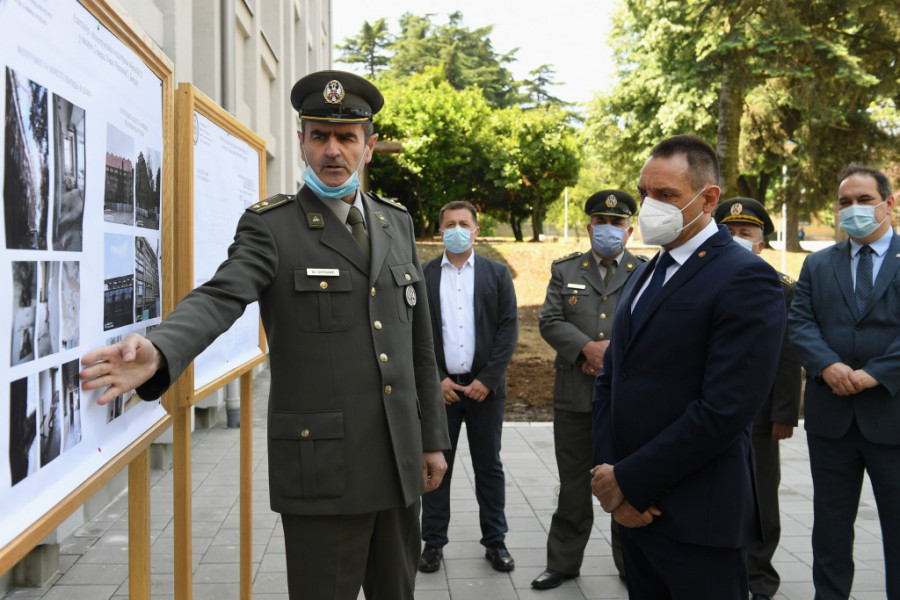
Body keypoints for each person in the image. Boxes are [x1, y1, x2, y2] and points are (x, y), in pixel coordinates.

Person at [79, 70, 451, 600]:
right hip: (324, 470)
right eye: (319, 136)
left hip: (399, 463)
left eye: (346, 137)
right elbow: (222, 294)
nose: (332, 150)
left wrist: (432, 440)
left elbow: (420, 346)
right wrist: (162, 348)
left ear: (368, 147)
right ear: (301, 142)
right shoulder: (272, 227)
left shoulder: (397, 223)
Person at [590, 134, 786, 599]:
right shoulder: (646, 271)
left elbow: (724, 409)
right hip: (634, 514)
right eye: (644, 193)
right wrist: (612, 482)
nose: (649, 206)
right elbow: (612, 379)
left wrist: (630, 481)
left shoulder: (745, 275)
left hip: (700, 519)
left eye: (666, 194)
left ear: (709, 199)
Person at [788, 164, 900, 600]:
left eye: (864, 200)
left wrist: (876, 373)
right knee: (831, 530)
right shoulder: (818, 264)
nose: (854, 208)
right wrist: (827, 365)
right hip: (831, 420)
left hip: (891, 417)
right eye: (845, 202)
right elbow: (800, 322)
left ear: (889, 203)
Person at [532, 189, 644, 590]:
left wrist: (611, 356)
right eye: (601, 222)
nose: (608, 228)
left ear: (629, 230)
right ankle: (563, 563)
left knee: (626, 480)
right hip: (575, 395)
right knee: (573, 485)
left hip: (625, 399)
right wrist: (586, 348)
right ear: (589, 227)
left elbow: (655, 326)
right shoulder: (566, 270)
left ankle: (632, 565)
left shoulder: (645, 271)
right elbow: (549, 320)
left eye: (617, 223)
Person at [418, 200, 519, 573]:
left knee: (488, 467)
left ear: (476, 230)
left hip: (485, 392)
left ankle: (496, 541)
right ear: (439, 232)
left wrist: (487, 380)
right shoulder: (424, 275)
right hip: (440, 392)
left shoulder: (497, 273)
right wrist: (436, 380)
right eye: (450, 224)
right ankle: (433, 543)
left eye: (464, 223)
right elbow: (415, 335)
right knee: (435, 467)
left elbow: (508, 329)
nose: (457, 230)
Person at [713, 197, 803, 600]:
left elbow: (788, 354)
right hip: (707, 410)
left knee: (762, 495)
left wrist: (785, 412)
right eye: (728, 231)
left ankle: (760, 576)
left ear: (760, 243)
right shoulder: (700, 281)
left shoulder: (781, 289)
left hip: (761, 415)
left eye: (745, 233)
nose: (736, 238)